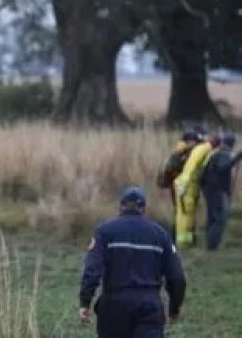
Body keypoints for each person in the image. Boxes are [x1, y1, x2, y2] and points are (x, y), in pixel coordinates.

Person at [79, 187, 186, 338]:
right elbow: (177, 277)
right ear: (144, 208)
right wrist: (175, 307)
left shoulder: (104, 232)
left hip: (114, 306)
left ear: (121, 207)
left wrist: (85, 302)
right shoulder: (161, 234)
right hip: (149, 306)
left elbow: (92, 270)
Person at [173, 129, 217, 247]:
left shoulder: (203, 149)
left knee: (188, 213)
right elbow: (190, 168)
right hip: (186, 186)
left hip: (190, 186)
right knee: (184, 214)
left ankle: (187, 240)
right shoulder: (203, 149)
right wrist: (182, 185)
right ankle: (182, 243)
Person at [201, 132, 237, 250]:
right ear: (232, 144)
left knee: (212, 217)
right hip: (217, 190)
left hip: (210, 189)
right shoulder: (223, 155)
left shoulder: (215, 154)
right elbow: (223, 168)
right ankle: (212, 244)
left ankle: (210, 242)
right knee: (220, 217)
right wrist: (237, 158)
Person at [156, 129, 200, 208]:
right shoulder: (179, 154)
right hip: (180, 186)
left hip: (185, 186)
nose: (194, 144)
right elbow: (170, 168)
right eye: (192, 141)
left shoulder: (189, 153)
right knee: (182, 209)